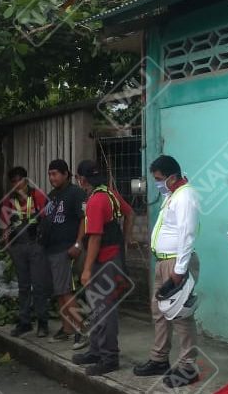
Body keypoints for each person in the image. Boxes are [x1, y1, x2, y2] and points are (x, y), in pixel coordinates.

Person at [133, 155, 200, 387]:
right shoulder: (172, 195)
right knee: (159, 312)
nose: (158, 183)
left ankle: (187, 368)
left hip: (177, 264)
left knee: (181, 316)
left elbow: (187, 234)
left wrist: (180, 271)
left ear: (172, 177)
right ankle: (159, 358)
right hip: (164, 263)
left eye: (160, 179)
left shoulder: (185, 196)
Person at [71, 160, 133, 376]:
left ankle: (109, 358)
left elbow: (95, 237)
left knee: (105, 310)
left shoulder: (97, 200)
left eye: (78, 177)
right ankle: (96, 351)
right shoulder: (109, 193)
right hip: (112, 256)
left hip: (104, 260)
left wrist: (87, 270)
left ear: (82, 179)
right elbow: (130, 213)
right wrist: (124, 240)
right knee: (98, 308)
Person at [41, 159, 88, 350]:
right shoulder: (52, 195)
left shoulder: (75, 193)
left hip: (65, 249)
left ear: (66, 174)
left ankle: (82, 330)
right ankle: (67, 329)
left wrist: (78, 243)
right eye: (50, 174)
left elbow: (85, 219)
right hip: (51, 249)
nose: (52, 178)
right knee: (59, 291)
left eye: (55, 174)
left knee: (66, 292)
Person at [3, 166, 52, 338]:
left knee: (38, 286)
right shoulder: (9, 200)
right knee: (23, 287)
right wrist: (9, 245)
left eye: (20, 180)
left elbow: (47, 218)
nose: (17, 184)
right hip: (18, 247)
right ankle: (25, 323)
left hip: (35, 246)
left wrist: (43, 241)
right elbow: (6, 225)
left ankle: (42, 323)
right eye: (14, 181)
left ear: (26, 180)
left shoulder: (37, 195)